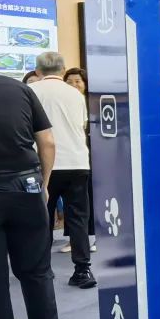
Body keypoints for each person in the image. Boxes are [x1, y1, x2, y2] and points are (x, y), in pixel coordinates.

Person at [0, 31, 63, 319]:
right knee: (36, 270)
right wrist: (42, 185)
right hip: (25, 188)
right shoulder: (20, 89)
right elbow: (47, 142)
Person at [31, 52, 95, 288]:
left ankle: (42, 271)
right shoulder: (75, 94)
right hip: (77, 162)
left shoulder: (31, 91)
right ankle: (83, 270)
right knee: (78, 219)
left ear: (38, 71)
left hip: (44, 164)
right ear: (62, 69)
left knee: (42, 219)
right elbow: (81, 125)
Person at [59, 67, 96, 254]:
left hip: (93, 156)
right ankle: (73, 240)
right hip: (72, 157)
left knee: (92, 197)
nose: (73, 85)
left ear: (85, 84)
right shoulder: (62, 102)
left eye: (77, 81)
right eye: (69, 81)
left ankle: (95, 237)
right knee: (72, 202)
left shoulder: (92, 103)